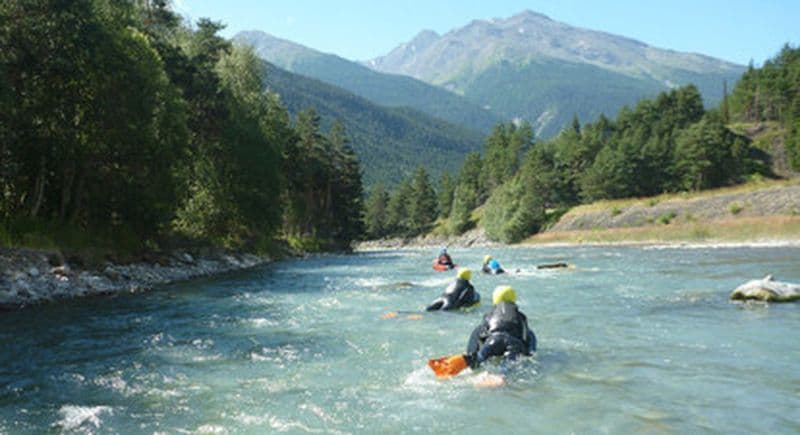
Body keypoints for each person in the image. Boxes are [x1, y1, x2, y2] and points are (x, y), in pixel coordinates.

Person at [463, 286, 536, 369]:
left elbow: (477, 334)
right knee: (507, 368)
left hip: (492, 341)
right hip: (513, 343)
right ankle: (502, 374)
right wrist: (529, 353)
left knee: (477, 363)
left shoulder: (488, 315)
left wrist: (472, 354)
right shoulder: (521, 316)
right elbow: (529, 337)